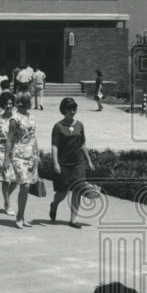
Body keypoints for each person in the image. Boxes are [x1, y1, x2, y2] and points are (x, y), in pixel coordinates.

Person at [50, 97, 94, 228]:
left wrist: (89, 161)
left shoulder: (80, 125)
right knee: (62, 193)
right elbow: (54, 146)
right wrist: (56, 163)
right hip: (63, 164)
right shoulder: (58, 127)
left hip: (78, 163)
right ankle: (54, 204)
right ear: (64, 110)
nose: (72, 112)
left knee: (78, 189)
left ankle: (73, 220)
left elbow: (82, 143)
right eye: (69, 109)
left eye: (74, 109)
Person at [3, 91, 39, 229]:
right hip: (18, 155)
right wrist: (6, 158)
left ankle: (22, 215)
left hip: (31, 154)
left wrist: (37, 154)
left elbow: (34, 137)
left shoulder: (31, 117)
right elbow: (9, 139)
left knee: (27, 185)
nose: (29, 104)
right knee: (25, 184)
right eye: (28, 102)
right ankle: (19, 216)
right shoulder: (14, 119)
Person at [0, 91, 18, 214]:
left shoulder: (17, 118)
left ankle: (6, 198)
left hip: (15, 151)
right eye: (6, 103)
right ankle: (8, 204)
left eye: (10, 103)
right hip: (1, 151)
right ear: (2, 105)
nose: (8, 106)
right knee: (6, 179)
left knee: (16, 179)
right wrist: (2, 140)